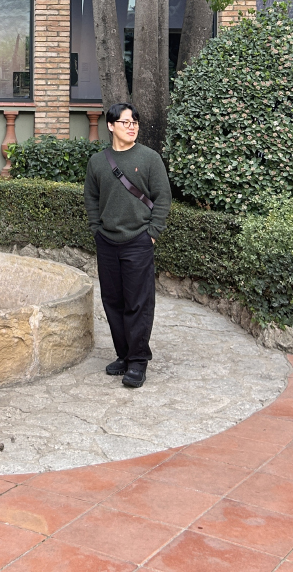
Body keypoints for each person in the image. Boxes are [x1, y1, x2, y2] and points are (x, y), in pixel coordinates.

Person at [84, 103, 171, 388]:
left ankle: (138, 361)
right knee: (113, 302)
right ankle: (124, 355)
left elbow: (163, 197)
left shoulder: (149, 158)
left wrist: (152, 233)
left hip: (138, 241)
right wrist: (96, 229)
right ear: (111, 126)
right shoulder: (98, 162)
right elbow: (91, 198)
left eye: (135, 122)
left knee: (138, 303)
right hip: (107, 242)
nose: (132, 127)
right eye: (125, 122)